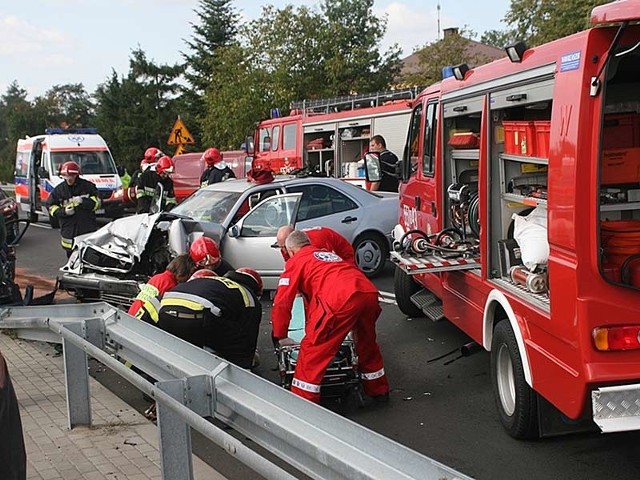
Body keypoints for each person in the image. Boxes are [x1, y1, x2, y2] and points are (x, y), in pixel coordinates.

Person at [271, 229, 389, 404]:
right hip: (367, 292)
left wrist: (279, 335)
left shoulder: (296, 260)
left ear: (291, 250)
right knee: (366, 343)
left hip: (341, 299)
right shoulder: (325, 254)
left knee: (312, 351)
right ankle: (378, 389)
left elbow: (282, 302)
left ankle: (303, 405)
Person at [158, 267, 263, 368]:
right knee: (239, 340)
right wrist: (246, 361)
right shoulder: (249, 296)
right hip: (200, 316)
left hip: (166, 311)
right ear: (256, 289)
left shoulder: (216, 282)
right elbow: (249, 334)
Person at [47, 161, 100, 257]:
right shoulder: (59, 190)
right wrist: (64, 212)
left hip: (86, 228)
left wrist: (83, 201)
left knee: (89, 256)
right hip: (69, 230)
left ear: (76, 175)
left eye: (71, 176)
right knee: (72, 258)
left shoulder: (88, 187)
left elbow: (98, 203)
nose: (69, 179)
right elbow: (51, 207)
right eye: (66, 177)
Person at [128, 254, 195, 324]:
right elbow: (165, 312)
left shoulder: (157, 277)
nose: (188, 278)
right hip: (142, 321)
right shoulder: (170, 285)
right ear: (183, 271)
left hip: (132, 314)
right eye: (189, 274)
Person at [275, 225, 355, 265]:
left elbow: (328, 264)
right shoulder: (284, 247)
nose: (284, 251)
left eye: (285, 247)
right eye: (281, 247)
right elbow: (292, 268)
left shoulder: (315, 243)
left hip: (343, 254)